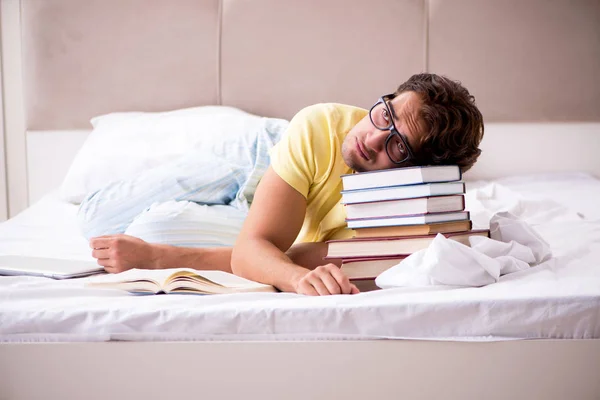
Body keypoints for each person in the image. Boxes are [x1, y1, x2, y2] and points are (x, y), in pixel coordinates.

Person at [81, 73, 484, 296]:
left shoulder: (403, 223)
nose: (372, 138)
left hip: (294, 204)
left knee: (152, 230)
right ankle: (241, 174)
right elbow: (264, 256)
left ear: (415, 175)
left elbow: (270, 253)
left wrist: (159, 254)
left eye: (397, 145)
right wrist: (290, 276)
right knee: (98, 215)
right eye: (385, 113)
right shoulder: (322, 125)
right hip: (264, 153)